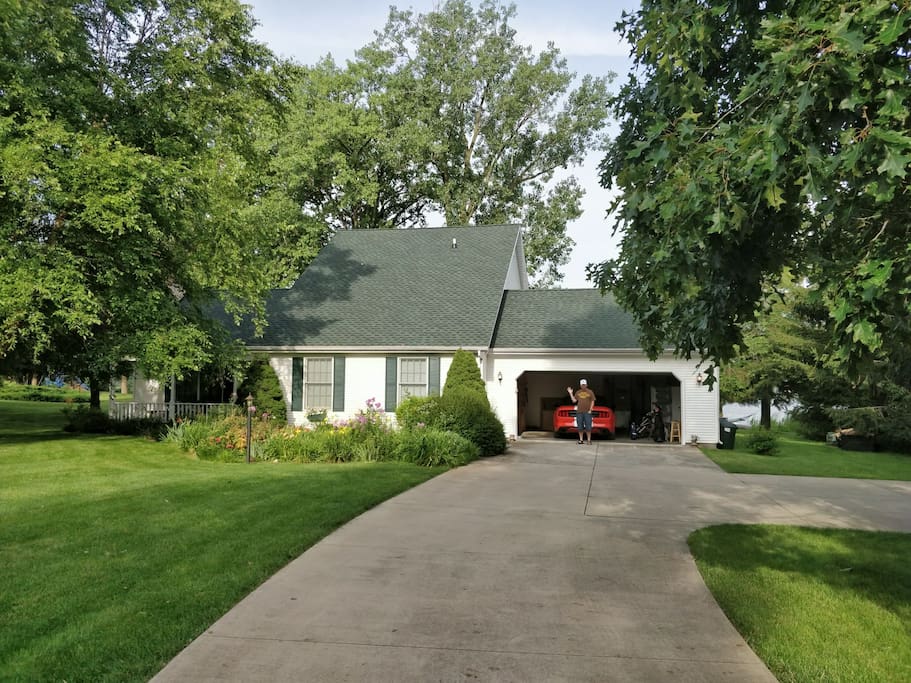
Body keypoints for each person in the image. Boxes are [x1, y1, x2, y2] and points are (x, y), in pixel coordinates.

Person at [567, 379, 596, 445]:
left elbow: (593, 401)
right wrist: (571, 393)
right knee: (580, 426)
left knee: (588, 427)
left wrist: (590, 410)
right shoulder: (578, 392)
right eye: (582, 385)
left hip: (587, 412)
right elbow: (574, 401)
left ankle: (589, 440)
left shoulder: (590, 392)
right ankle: (581, 440)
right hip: (579, 412)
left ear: (586, 385)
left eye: (584, 384)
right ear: (580, 385)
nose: (583, 386)